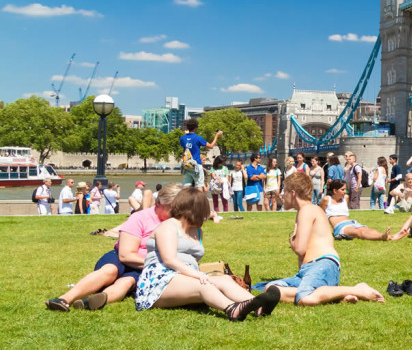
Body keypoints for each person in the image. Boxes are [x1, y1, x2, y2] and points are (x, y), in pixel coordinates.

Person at [134, 187, 279, 319]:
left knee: (225, 280)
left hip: (185, 277)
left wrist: (199, 274)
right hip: (159, 281)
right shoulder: (168, 226)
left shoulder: (197, 231)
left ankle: (258, 305)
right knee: (203, 284)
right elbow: (169, 260)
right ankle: (232, 309)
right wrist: (198, 275)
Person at [46, 184, 183, 312]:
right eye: (174, 208)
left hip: (145, 268)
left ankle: (90, 302)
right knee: (110, 270)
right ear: (161, 203)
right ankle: (64, 299)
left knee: (127, 282)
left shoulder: (177, 222)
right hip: (120, 258)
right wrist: (163, 262)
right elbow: (125, 255)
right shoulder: (141, 218)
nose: (177, 212)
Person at [260, 172, 385, 305]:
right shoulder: (309, 210)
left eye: (284, 191)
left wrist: (292, 240)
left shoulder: (307, 210)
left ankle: (357, 289)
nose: (282, 196)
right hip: (309, 270)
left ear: (293, 193)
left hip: (321, 265)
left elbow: (300, 249)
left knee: (305, 298)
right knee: (271, 289)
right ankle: (334, 295)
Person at [321, 181, 400, 241]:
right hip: (340, 227)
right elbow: (320, 215)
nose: (345, 191)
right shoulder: (326, 199)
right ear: (335, 191)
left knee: (367, 229)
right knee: (359, 232)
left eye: (345, 189)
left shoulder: (345, 198)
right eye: (343, 189)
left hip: (351, 222)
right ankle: (382, 237)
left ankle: (391, 237)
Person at [178, 118, 222, 189]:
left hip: (186, 165)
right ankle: (199, 200)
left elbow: (182, 145)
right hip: (196, 165)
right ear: (196, 128)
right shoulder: (198, 138)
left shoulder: (182, 138)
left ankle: (185, 199)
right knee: (199, 186)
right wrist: (216, 136)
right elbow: (211, 146)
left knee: (186, 186)